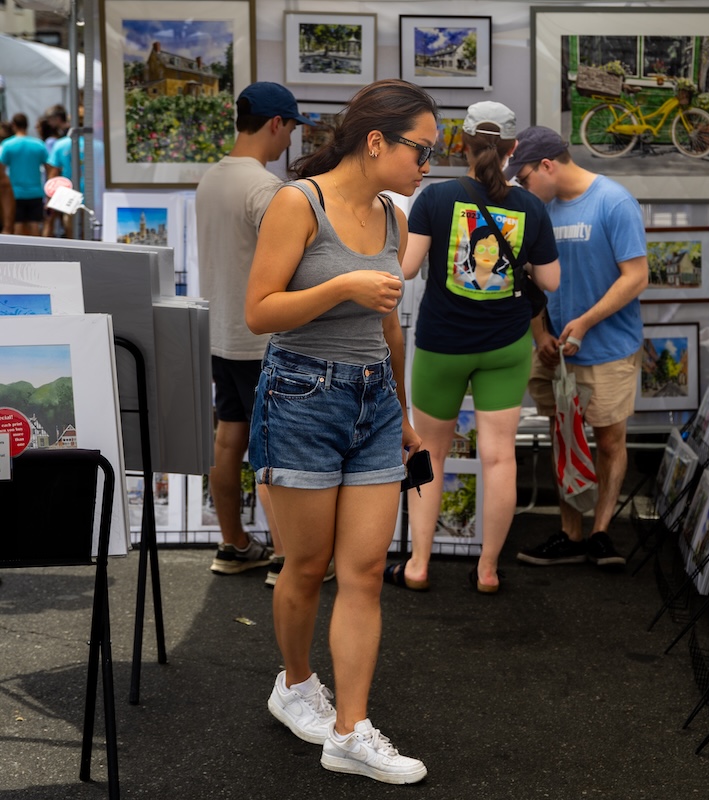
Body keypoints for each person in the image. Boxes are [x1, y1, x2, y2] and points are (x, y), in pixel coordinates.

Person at [244, 78, 432, 785]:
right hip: (299, 395)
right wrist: (341, 286)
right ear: (376, 140)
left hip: (375, 403)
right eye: (420, 149)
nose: (426, 166)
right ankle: (295, 684)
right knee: (307, 566)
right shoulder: (300, 203)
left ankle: (350, 730)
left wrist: (406, 416)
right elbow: (259, 311)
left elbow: (389, 326)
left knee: (362, 576)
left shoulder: (395, 214)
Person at [394, 101, 560, 594]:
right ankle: (487, 571)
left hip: (442, 343)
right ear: (512, 150)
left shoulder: (435, 198)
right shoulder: (531, 206)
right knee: (499, 458)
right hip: (505, 346)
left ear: (460, 144)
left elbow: (404, 270)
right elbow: (550, 279)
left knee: (429, 454)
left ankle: (418, 565)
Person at [505, 126, 648, 570]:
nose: (521, 185)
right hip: (555, 350)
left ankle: (601, 533)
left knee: (609, 440)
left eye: (524, 176)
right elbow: (525, 278)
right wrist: (539, 333)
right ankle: (570, 533)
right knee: (563, 438)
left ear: (548, 165)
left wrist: (584, 323)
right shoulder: (538, 209)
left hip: (607, 348)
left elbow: (636, 276)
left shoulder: (613, 201)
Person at [196, 82, 306, 584]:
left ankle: (235, 544)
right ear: (275, 123)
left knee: (229, 442)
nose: (289, 143)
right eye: (290, 129)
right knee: (273, 451)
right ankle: (284, 558)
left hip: (220, 333)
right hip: (262, 340)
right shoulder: (264, 189)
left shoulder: (210, 180)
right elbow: (291, 261)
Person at [0, 113, 49, 236]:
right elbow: (49, 168)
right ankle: (37, 254)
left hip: (15, 192)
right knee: (35, 225)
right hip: (36, 191)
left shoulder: (7, 145)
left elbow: (1, 170)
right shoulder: (38, 144)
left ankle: (19, 255)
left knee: (17, 226)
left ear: (14, 125)